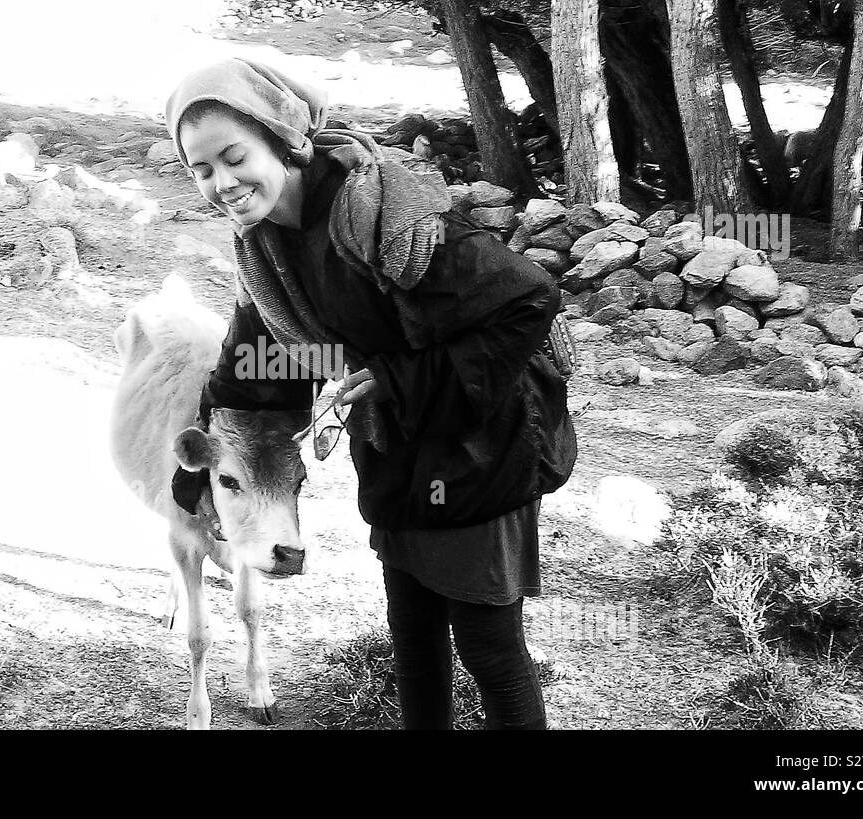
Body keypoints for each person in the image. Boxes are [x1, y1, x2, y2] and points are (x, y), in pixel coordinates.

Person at [163, 57, 577, 730]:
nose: (222, 183)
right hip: (399, 446)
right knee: (412, 637)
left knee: (487, 646)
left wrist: (396, 378)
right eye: (201, 170)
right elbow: (249, 363)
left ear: (284, 138)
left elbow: (530, 298)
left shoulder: (381, 211)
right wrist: (195, 480)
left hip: (480, 439)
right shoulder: (266, 246)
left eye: (234, 156)